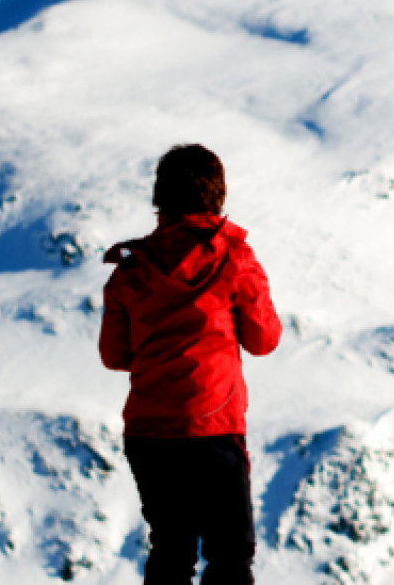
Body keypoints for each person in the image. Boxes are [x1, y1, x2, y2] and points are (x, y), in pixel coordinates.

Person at [100, 144, 282, 585]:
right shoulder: (234, 259)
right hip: (213, 427)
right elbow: (263, 340)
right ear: (218, 196)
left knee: (171, 551)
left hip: (149, 433)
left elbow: (114, 356)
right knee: (229, 556)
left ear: (159, 197)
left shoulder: (131, 269)